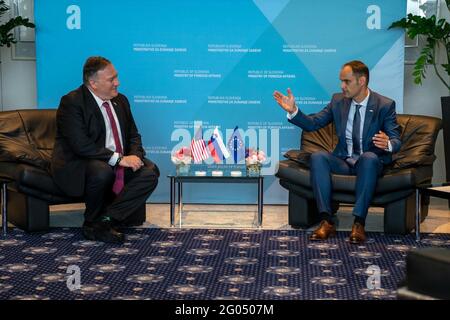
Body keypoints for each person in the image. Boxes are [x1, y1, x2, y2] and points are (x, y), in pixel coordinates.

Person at [273, 60, 401, 244]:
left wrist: (388, 143)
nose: (342, 86)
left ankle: (359, 223)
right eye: (341, 81)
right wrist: (293, 111)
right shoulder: (338, 101)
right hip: (344, 161)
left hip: (368, 164)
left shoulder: (384, 105)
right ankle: (327, 220)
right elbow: (313, 123)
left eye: (347, 81)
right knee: (318, 157)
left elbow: (397, 139)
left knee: (370, 157)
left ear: (362, 81)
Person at [51, 56, 159, 244]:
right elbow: (81, 145)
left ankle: (104, 221)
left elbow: (133, 135)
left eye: (116, 77)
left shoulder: (121, 100)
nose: (117, 83)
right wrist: (118, 159)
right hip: (79, 163)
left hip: (114, 159)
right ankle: (92, 220)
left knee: (149, 172)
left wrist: (134, 155)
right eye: (111, 79)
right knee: (102, 171)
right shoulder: (72, 102)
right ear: (93, 83)